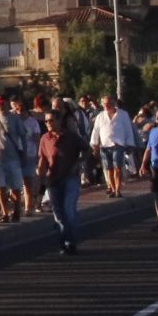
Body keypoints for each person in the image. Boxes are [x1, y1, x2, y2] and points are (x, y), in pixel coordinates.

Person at [38, 104, 87, 254]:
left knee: (69, 210)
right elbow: (43, 159)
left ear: (59, 121)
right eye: (46, 121)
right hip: (53, 180)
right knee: (58, 214)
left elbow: (87, 150)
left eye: (51, 120)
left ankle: (69, 242)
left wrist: (78, 163)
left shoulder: (71, 136)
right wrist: (40, 173)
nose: (48, 124)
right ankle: (64, 240)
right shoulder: (45, 138)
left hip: (70, 178)